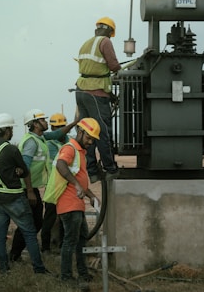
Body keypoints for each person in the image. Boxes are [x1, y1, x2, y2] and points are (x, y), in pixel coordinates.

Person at [0, 113, 48, 274]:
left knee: (0, 235)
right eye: (11, 129)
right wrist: (29, 189)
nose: (12, 132)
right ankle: (39, 269)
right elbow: (25, 172)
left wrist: (15, 171)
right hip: (14, 196)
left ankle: (3, 270)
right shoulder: (11, 149)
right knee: (29, 232)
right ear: (6, 131)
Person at [9, 108, 76, 262]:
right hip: (27, 189)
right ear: (35, 123)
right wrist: (30, 191)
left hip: (32, 188)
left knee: (35, 222)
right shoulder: (31, 143)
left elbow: (58, 134)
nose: (46, 122)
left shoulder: (41, 138)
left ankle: (16, 254)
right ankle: (15, 255)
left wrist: (75, 122)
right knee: (31, 223)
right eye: (43, 120)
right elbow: (24, 168)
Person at [75, 17, 121, 183]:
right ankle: (110, 169)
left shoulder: (86, 43)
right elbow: (114, 66)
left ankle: (92, 171)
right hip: (95, 93)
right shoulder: (105, 42)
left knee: (87, 132)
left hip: (81, 91)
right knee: (103, 132)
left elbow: (93, 68)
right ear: (109, 30)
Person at [56, 118, 100, 288]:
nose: (90, 142)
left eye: (93, 140)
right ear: (80, 132)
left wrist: (90, 195)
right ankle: (66, 277)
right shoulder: (70, 148)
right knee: (71, 241)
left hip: (77, 204)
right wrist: (75, 185)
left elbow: (79, 179)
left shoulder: (80, 151)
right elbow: (61, 165)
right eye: (88, 138)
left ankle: (82, 272)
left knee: (81, 239)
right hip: (69, 204)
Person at [41, 113, 77, 254]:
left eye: (62, 127)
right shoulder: (49, 144)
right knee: (49, 218)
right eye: (56, 127)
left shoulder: (69, 142)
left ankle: (63, 245)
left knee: (65, 217)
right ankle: (45, 247)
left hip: (66, 187)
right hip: (53, 186)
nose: (60, 130)